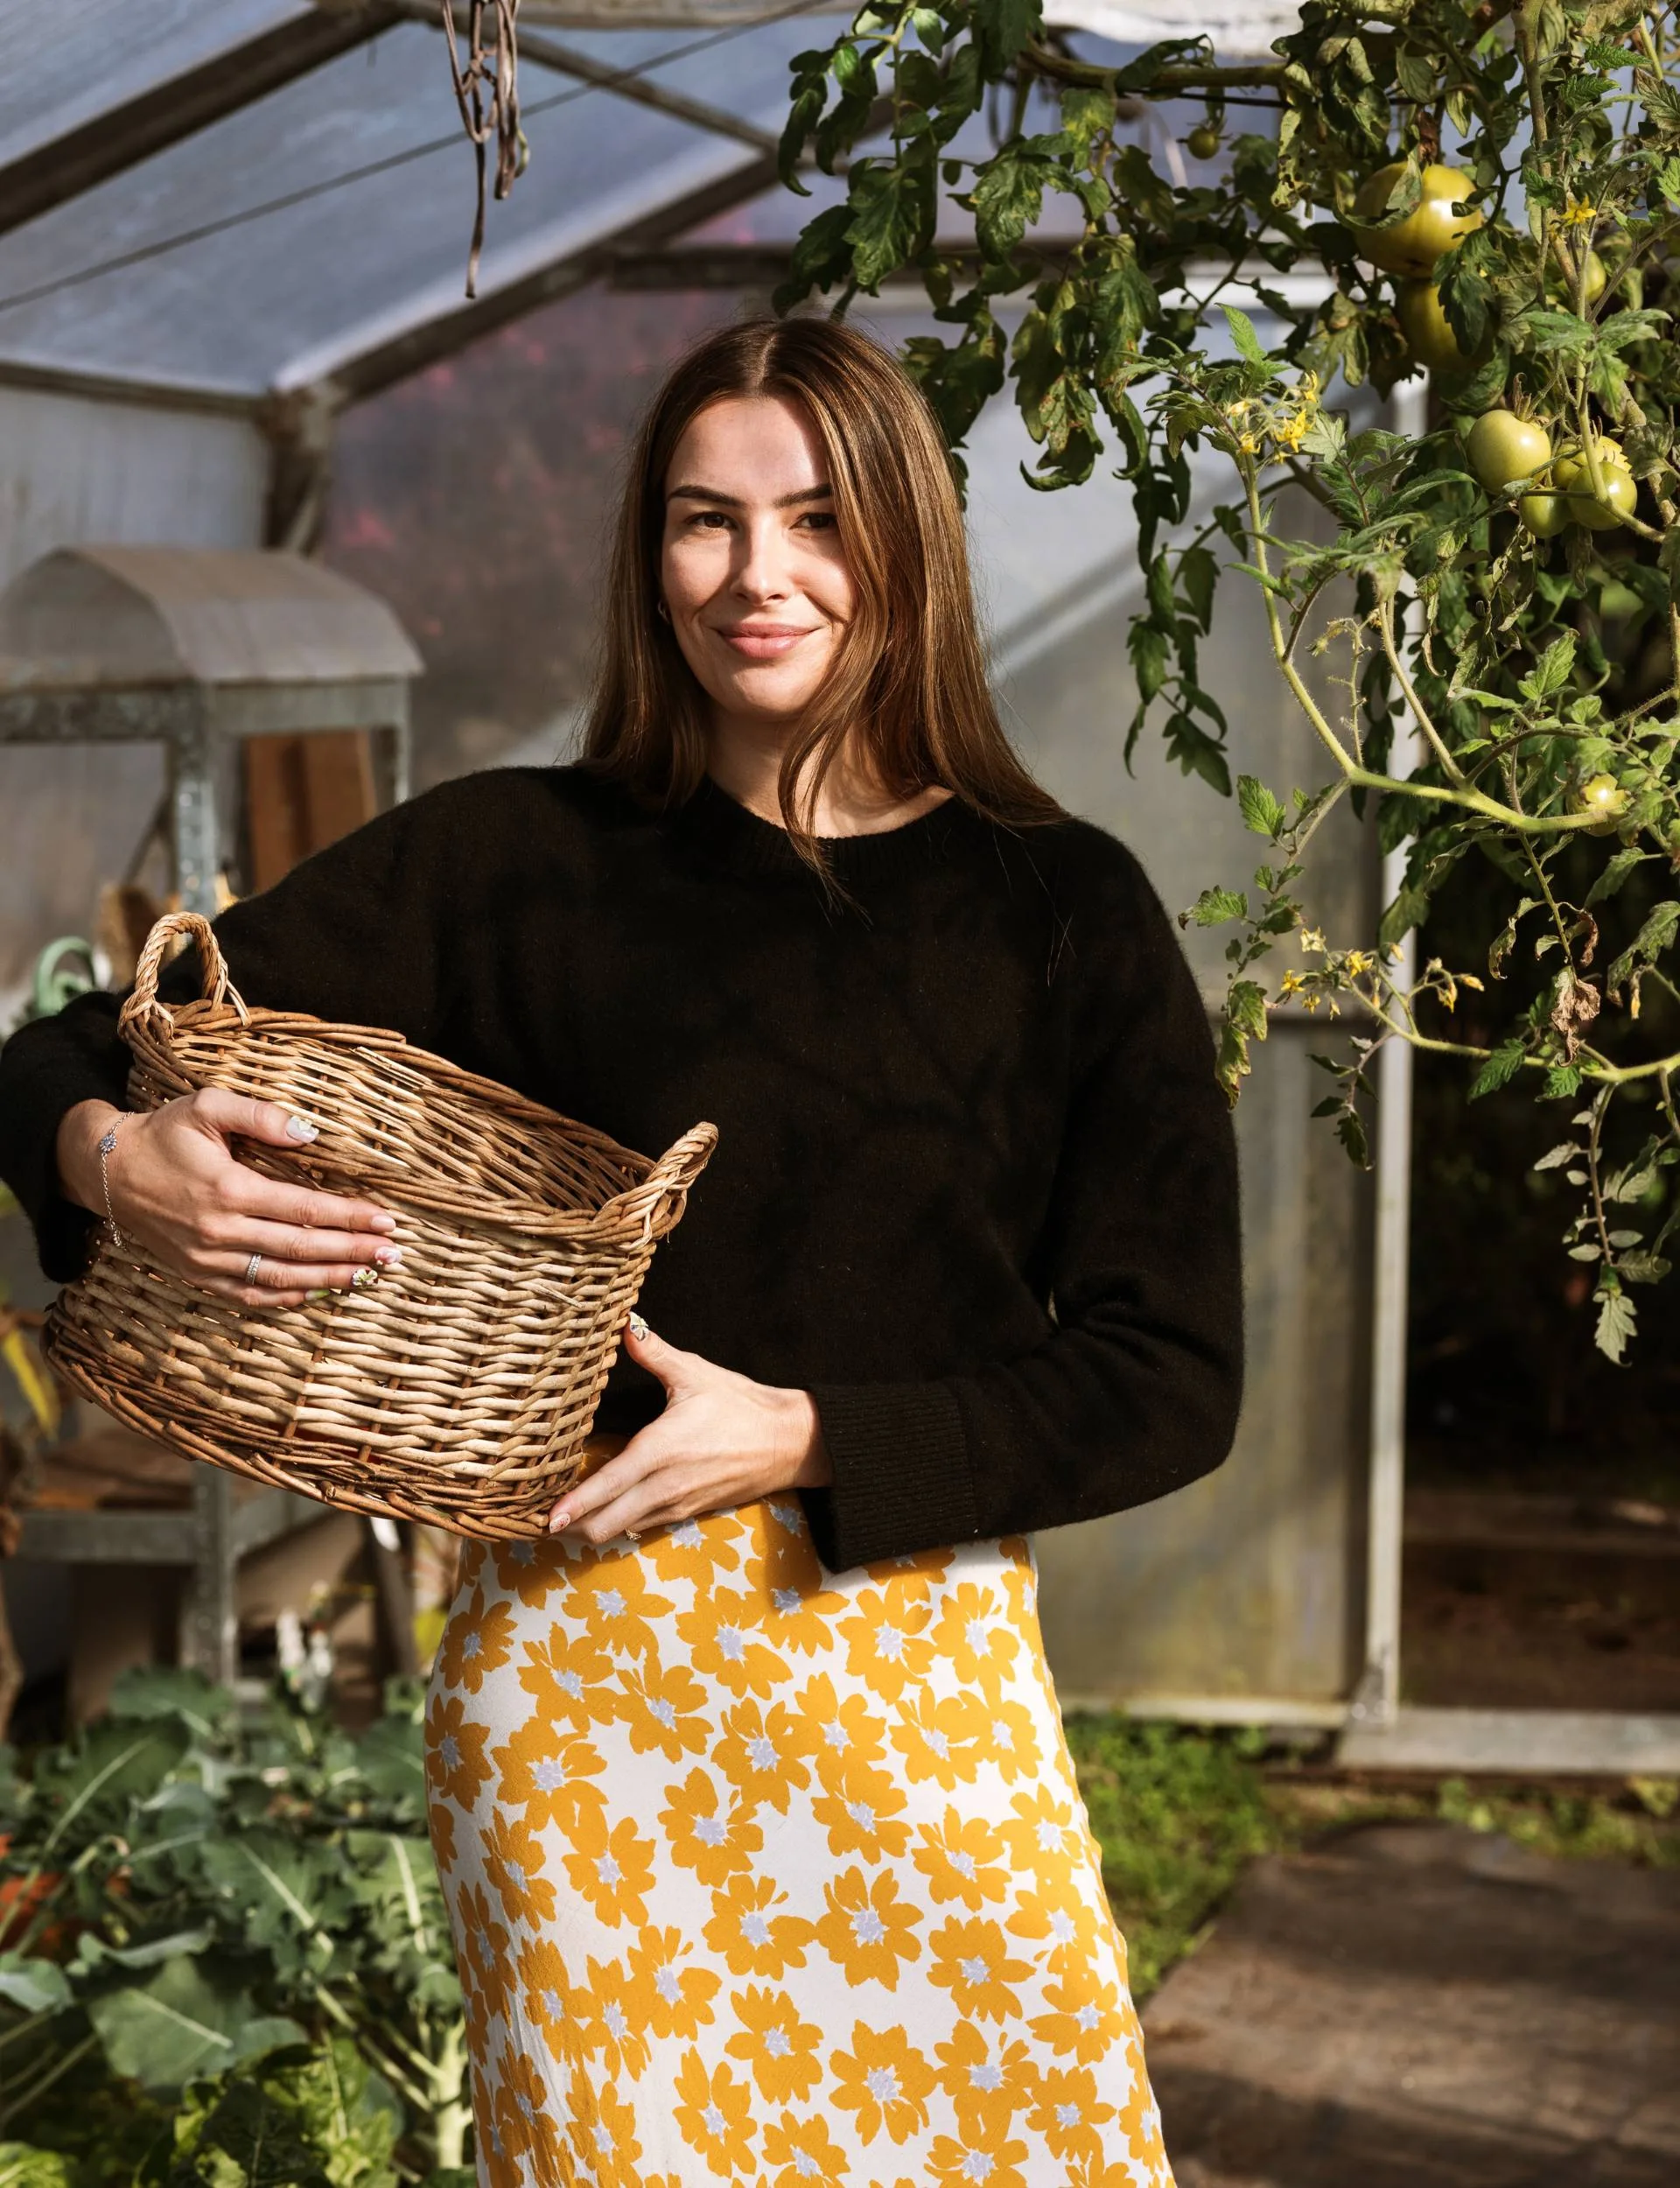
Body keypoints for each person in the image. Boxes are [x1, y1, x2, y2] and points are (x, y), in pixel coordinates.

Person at [0, 316, 1242, 2185]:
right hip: (582, 1712)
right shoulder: (515, 861)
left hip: (913, 1692)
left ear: (906, 539)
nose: (757, 575)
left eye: (816, 518)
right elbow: (64, 1046)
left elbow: (1172, 1372)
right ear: (650, 554)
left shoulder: (1058, 912)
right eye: (703, 518)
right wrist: (116, 1161)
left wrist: (805, 1432)